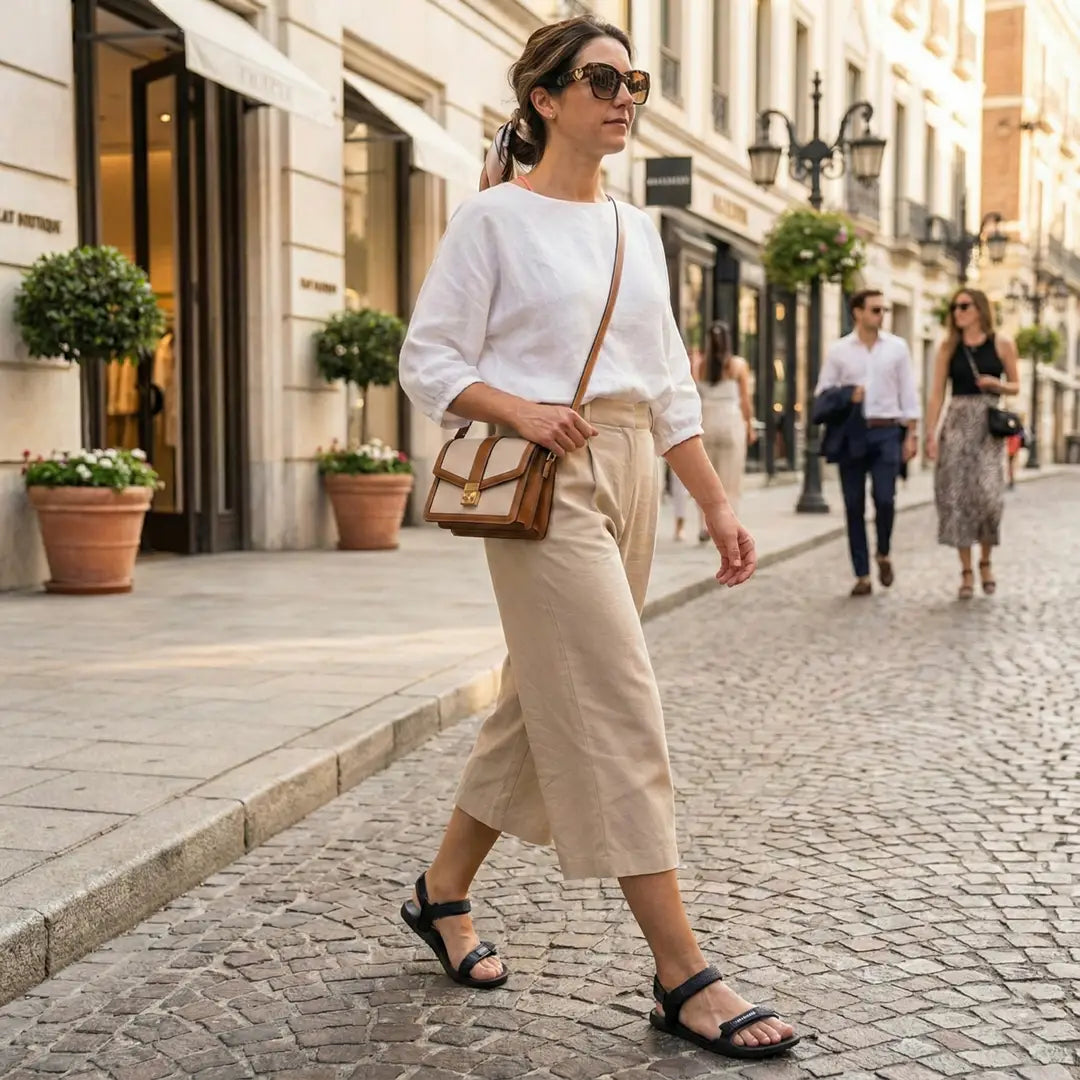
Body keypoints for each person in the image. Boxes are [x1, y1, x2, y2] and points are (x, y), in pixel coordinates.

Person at [397, 14, 798, 1062]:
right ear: (544, 99)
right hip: (545, 478)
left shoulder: (637, 230)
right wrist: (521, 410)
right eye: (604, 79)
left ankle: (442, 893)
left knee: (541, 697)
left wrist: (712, 501)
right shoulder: (493, 221)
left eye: (639, 81)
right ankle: (682, 973)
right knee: (616, 697)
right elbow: (428, 362)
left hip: (628, 469)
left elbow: (667, 383)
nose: (627, 97)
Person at [813, 290, 920, 596]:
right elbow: (823, 393)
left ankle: (883, 552)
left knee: (886, 499)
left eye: (883, 310)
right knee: (853, 504)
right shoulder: (839, 351)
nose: (880, 315)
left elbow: (908, 394)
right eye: (875, 309)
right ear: (857, 312)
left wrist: (911, 435)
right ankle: (862, 574)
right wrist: (849, 394)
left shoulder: (897, 348)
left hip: (887, 431)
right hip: (853, 433)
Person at [925, 289, 1021, 598]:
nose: (958, 312)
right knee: (957, 500)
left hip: (987, 429)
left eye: (964, 306)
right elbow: (937, 393)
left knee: (989, 499)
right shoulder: (948, 347)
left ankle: (986, 561)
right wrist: (930, 433)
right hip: (956, 425)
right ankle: (966, 572)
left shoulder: (1002, 343)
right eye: (954, 307)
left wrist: (998, 385)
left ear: (979, 309)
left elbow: (1017, 385)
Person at [669, 322, 756, 541]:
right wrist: (750, 425)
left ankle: (704, 526)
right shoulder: (738, 365)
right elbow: (745, 401)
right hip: (731, 422)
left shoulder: (700, 366)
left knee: (706, 477)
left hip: (706, 421)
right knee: (730, 480)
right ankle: (730, 525)